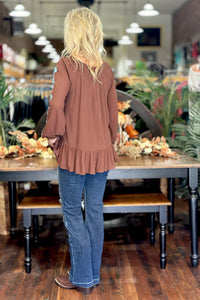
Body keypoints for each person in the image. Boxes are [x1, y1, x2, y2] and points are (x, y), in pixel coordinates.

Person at [42, 7, 118, 295]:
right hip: (101, 151)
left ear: (72, 32)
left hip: (73, 150)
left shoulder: (66, 66)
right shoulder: (106, 68)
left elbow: (56, 105)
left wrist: (52, 136)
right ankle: (91, 274)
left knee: (73, 212)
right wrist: (112, 141)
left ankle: (82, 277)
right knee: (95, 211)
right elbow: (114, 114)